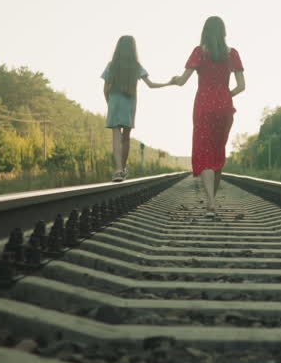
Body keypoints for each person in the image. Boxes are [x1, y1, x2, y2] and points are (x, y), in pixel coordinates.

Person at [165, 16, 245, 217]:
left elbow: (183, 81)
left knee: (205, 153)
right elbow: (242, 86)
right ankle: (212, 200)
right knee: (217, 152)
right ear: (223, 32)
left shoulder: (199, 52)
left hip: (203, 107)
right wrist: (226, 95)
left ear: (205, 32)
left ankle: (210, 202)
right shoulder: (232, 54)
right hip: (225, 107)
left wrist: (174, 80)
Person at [101, 35, 165, 181]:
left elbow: (105, 89)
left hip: (114, 101)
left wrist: (109, 103)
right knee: (126, 138)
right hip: (129, 102)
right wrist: (168, 83)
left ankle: (118, 170)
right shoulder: (136, 66)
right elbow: (151, 84)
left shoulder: (112, 65)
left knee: (116, 137)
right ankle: (122, 169)